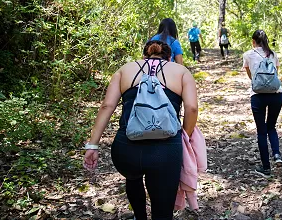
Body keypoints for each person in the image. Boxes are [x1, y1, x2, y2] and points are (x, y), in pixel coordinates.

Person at [83, 40, 198, 220]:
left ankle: (140, 216)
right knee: (162, 208)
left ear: (144, 56)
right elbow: (191, 108)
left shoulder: (124, 70)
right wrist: (185, 136)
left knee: (133, 177)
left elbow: (107, 106)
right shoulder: (181, 71)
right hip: (166, 151)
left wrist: (93, 145)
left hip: (126, 149)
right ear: (169, 58)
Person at [243, 30, 282, 177]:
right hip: (277, 94)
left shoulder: (248, 55)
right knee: (271, 126)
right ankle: (277, 154)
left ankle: (266, 168)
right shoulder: (273, 54)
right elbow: (276, 74)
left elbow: (251, 76)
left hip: (258, 95)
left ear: (253, 41)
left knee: (261, 131)